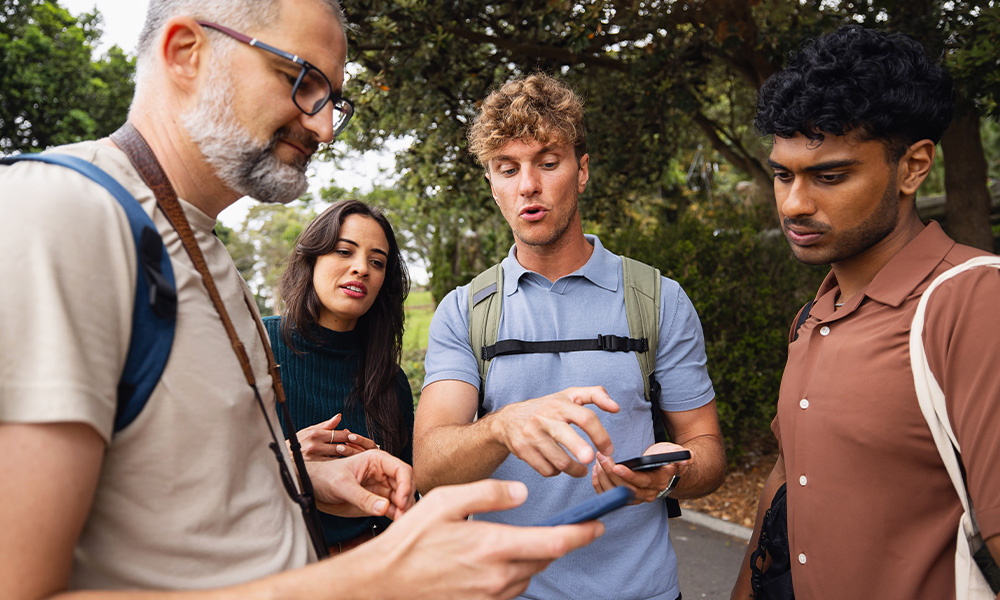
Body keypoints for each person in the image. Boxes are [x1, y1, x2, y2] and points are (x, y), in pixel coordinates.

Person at [0, 1, 605, 598]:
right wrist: (370, 577)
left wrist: (304, 479)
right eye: (301, 81)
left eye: (332, 101)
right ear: (186, 53)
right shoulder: (63, 216)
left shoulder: (206, 253)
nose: (321, 126)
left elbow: (178, 509)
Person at [414, 73, 727, 600]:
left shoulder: (657, 299)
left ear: (581, 171)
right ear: (492, 184)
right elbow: (430, 470)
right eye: (506, 169)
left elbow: (708, 450)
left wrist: (670, 475)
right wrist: (500, 428)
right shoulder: (464, 312)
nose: (527, 186)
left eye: (547, 162)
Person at [730, 25, 1000, 599]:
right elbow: (784, 484)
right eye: (783, 175)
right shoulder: (812, 317)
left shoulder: (973, 302)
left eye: (831, 176)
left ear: (913, 167)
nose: (795, 204)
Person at [265, 199, 414, 554]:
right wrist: (288, 460)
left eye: (376, 262)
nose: (361, 268)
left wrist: (381, 474)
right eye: (344, 252)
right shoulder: (258, 345)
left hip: (371, 568)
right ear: (312, 258)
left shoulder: (391, 381)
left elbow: (408, 501)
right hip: (272, 569)